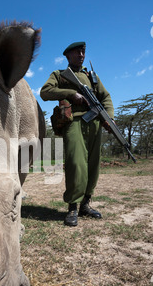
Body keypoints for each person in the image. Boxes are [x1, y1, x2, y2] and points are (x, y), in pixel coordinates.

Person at [40, 42, 114, 226]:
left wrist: (109, 118)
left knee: (93, 164)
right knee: (75, 163)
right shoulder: (59, 75)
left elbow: (105, 97)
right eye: (77, 52)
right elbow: (45, 92)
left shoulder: (92, 76)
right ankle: (73, 207)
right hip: (73, 121)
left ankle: (86, 205)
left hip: (95, 122)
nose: (81, 55)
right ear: (68, 56)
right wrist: (72, 94)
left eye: (83, 52)